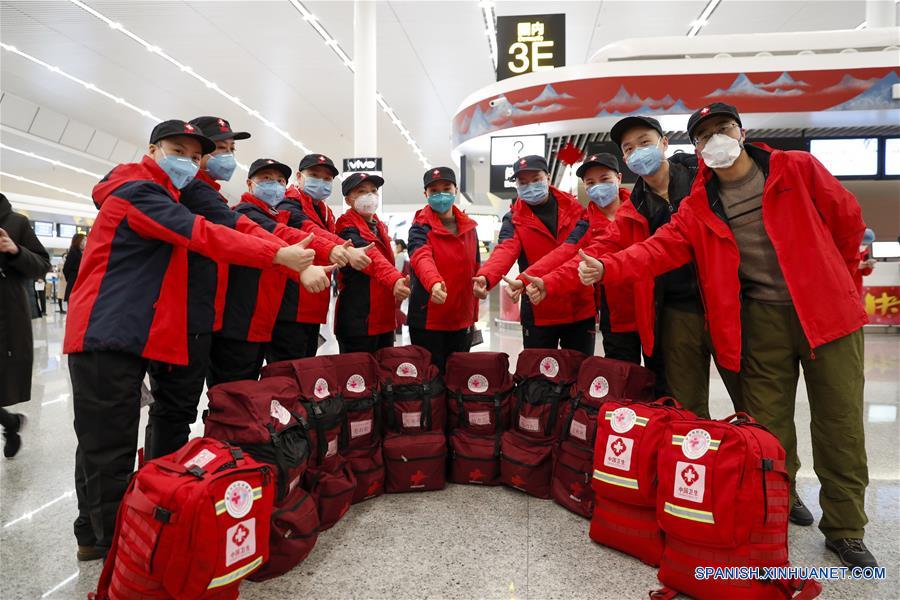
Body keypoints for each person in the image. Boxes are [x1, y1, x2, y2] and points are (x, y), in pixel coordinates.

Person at [581, 103, 876, 567]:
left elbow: (847, 220)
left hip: (826, 315)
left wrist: (838, 282)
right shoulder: (699, 204)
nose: (716, 139)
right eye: (705, 136)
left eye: (723, 129)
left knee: (838, 423)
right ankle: (773, 509)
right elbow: (658, 250)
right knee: (766, 427)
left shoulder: (793, 168)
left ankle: (845, 528)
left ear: (740, 132)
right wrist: (608, 266)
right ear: (695, 149)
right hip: (759, 319)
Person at [64, 120, 316, 561]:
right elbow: (203, 234)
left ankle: (98, 533)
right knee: (108, 445)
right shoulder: (138, 190)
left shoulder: (164, 192)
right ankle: (112, 547)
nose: (189, 161)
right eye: (178, 150)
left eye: (195, 156)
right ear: (153, 148)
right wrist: (277, 255)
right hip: (107, 332)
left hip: (135, 330)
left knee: (105, 440)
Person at [143, 116, 324, 460]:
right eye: (216, 150)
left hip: (207, 318)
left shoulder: (206, 194)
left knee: (201, 407)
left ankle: (211, 474)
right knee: (175, 412)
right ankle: (162, 489)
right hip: (182, 319)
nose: (225, 156)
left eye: (231, 149)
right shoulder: (186, 193)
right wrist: (282, 257)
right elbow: (235, 230)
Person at [207, 157, 334, 387]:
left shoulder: (278, 215)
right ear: (249, 184)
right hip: (238, 324)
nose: (274, 185)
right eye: (265, 179)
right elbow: (282, 239)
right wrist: (324, 255)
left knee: (254, 393)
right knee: (232, 393)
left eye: (278, 180)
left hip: (261, 322)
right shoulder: (245, 213)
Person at [515, 154, 640, 363]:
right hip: (616, 312)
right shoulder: (585, 223)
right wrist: (530, 278)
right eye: (591, 182)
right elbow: (566, 254)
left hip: (654, 304)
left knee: (663, 378)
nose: (598, 186)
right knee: (623, 376)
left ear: (618, 178)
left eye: (605, 179)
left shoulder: (641, 209)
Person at [473, 155, 596, 355]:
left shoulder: (577, 210)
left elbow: (571, 250)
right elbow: (505, 249)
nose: (530, 186)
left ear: (548, 177)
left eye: (536, 179)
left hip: (578, 305)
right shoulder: (513, 219)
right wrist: (486, 277)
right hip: (539, 307)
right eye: (523, 182)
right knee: (537, 374)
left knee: (580, 372)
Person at [270, 154, 373, 362]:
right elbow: (309, 230)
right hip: (290, 306)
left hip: (312, 303)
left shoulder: (324, 211)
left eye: (327, 179)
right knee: (287, 372)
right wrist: (337, 247)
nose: (321, 182)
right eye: (314, 175)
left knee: (306, 371)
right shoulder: (288, 203)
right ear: (299, 177)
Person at [407, 167, 480, 372]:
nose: (441, 195)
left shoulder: (470, 228)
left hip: (461, 319)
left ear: (455, 189)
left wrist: (483, 284)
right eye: (434, 191)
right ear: (426, 194)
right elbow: (421, 257)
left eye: (446, 188)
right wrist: (434, 282)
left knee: (458, 379)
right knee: (430, 381)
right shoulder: (420, 227)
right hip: (428, 320)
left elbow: (476, 267)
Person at [334, 173, 410, 353]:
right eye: (361, 191)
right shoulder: (346, 227)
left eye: (373, 191)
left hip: (383, 316)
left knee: (383, 375)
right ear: (348, 200)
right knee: (359, 376)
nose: (369, 196)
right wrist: (394, 279)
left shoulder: (379, 227)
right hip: (359, 320)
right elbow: (371, 259)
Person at [0, 193, 51, 458]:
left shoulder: (16, 222)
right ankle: (10, 422)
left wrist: (15, 250)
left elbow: (43, 265)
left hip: (6, 317)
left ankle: (10, 423)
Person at [62, 232, 85, 312]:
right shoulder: (73, 252)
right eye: (84, 240)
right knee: (74, 310)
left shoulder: (80, 253)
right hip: (73, 284)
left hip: (77, 284)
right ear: (78, 241)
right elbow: (66, 269)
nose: (85, 242)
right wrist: (72, 278)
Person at [394, 239, 410, 334]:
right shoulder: (405, 255)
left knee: (395, 307)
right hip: (405, 283)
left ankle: (406, 320)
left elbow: (397, 270)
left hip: (400, 283)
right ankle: (399, 326)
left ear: (400, 246)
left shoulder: (400, 256)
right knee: (397, 306)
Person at [855, 227, 876, 296]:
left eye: (866, 245)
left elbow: (865, 273)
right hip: (845, 283)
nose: (863, 246)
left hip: (857, 285)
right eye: (862, 244)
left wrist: (869, 266)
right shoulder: (847, 251)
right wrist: (855, 265)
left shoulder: (864, 252)